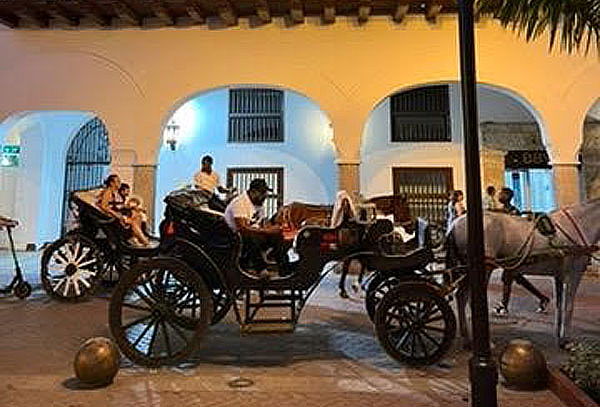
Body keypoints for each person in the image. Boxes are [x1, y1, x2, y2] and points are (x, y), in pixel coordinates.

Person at [224, 178, 284, 278]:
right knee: (250, 236)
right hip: (235, 238)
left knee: (276, 236)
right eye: (262, 193)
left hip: (254, 236)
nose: (265, 196)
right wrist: (267, 230)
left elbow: (262, 223)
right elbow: (242, 228)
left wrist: (273, 229)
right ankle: (261, 269)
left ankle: (283, 268)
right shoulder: (240, 202)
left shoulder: (258, 204)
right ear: (253, 192)